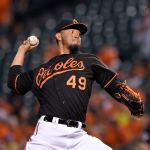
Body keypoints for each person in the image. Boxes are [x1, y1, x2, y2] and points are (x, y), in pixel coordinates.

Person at [7, 18, 144, 150]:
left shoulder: (89, 61)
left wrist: (130, 101)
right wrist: (22, 49)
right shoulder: (42, 70)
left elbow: (113, 84)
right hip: (47, 136)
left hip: (77, 137)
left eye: (79, 32)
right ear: (59, 36)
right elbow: (14, 82)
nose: (76, 33)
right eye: (71, 30)